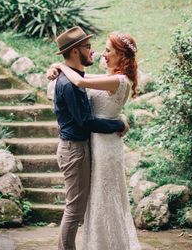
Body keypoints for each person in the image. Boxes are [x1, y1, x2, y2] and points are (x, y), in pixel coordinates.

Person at [49, 28, 141, 250]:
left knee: (105, 199)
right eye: (91, 47)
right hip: (92, 144)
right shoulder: (108, 78)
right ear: (74, 51)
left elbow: (80, 82)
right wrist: (58, 67)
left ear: (121, 55)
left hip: (105, 146)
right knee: (94, 202)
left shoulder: (118, 79)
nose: (101, 53)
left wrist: (60, 66)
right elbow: (81, 79)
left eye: (108, 50)